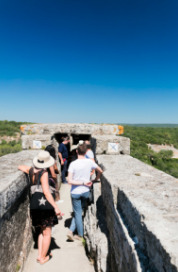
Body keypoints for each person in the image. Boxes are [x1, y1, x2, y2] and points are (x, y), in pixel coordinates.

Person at [18, 150, 62, 264]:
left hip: (34, 205)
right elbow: (46, 192)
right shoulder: (44, 173)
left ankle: (39, 255)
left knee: (41, 231)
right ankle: (43, 258)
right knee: (47, 233)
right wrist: (56, 207)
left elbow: (20, 166)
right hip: (45, 206)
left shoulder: (31, 170)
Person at [67, 143, 103, 241]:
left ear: (77, 151)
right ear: (86, 152)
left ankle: (80, 235)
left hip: (75, 192)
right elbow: (100, 170)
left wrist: (81, 182)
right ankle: (70, 230)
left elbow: (69, 181)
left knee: (77, 212)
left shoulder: (73, 164)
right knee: (78, 212)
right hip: (86, 192)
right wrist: (95, 179)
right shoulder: (89, 162)